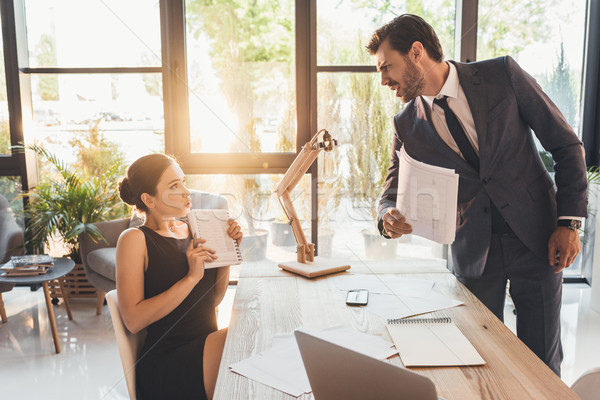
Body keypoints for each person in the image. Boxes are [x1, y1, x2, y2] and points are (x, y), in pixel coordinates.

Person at [367, 14, 587, 376]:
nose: (384, 80)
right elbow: (391, 189)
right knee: (477, 360)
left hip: (540, 238)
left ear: (417, 52)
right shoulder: (406, 123)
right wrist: (386, 215)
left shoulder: (501, 75)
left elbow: (566, 145)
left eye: (387, 67)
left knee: (542, 362)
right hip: (474, 252)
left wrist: (569, 223)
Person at [115, 153, 242, 399]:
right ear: (148, 199)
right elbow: (133, 321)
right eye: (174, 186)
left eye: (183, 182)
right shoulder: (134, 239)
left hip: (206, 346)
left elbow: (213, 300)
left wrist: (228, 251)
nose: (187, 192)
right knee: (243, 337)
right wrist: (191, 278)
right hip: (167, 364)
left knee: (249, 337)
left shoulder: (194, 227)